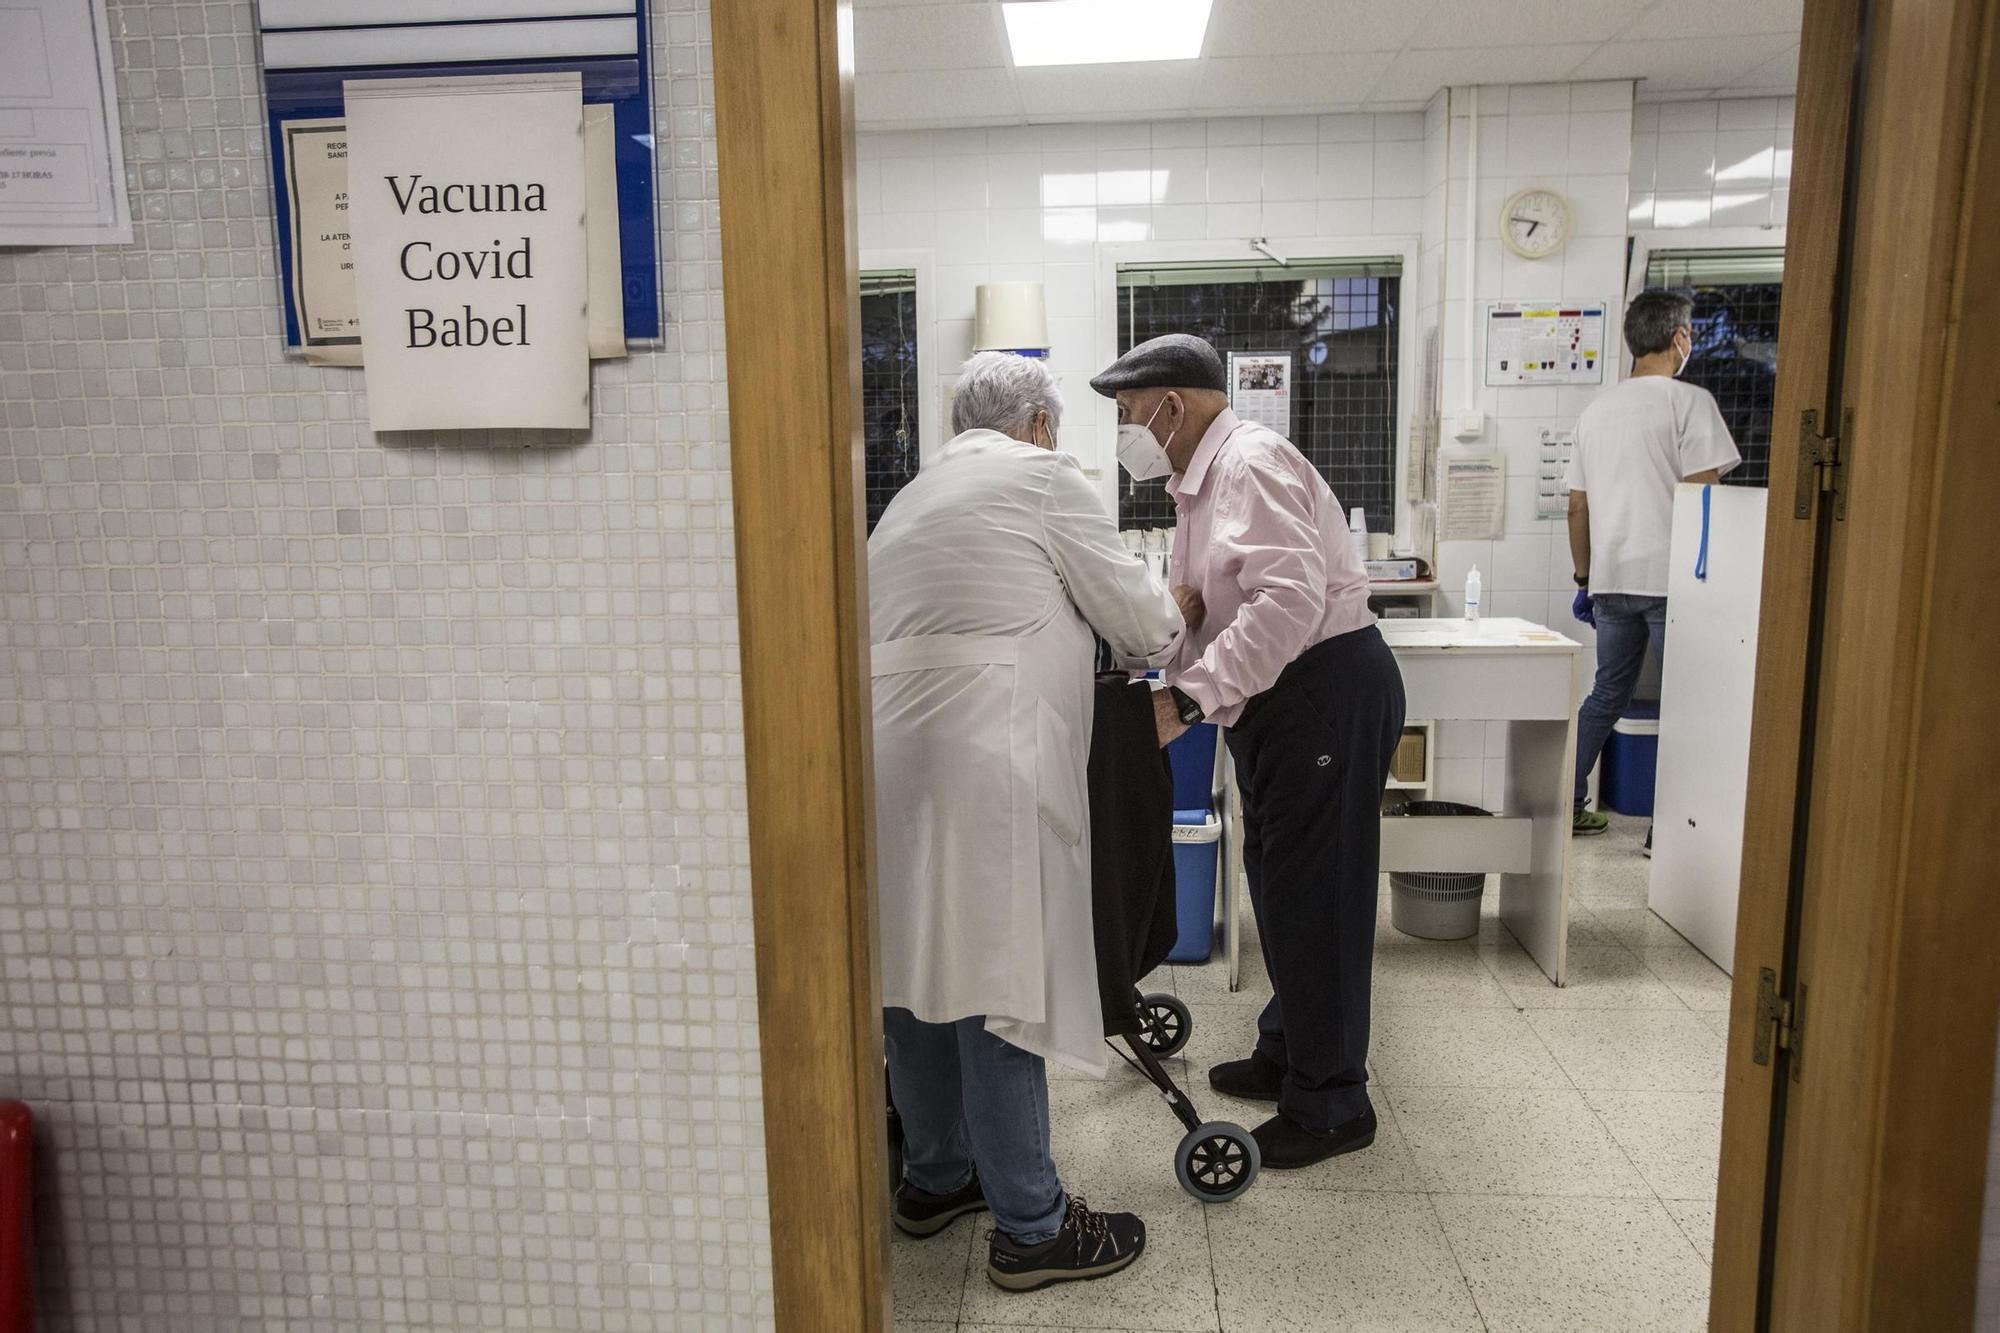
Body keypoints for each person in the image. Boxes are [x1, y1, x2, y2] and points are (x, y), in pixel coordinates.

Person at [870, 351, 1198, 1292]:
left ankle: (935, 1178)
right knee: (1000, 980)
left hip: (889, 752)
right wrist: (1174, 608)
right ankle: (1033, 1224)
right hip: (988, 751)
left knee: (915, 969)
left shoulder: (910, 497)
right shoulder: (1044, 476)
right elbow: (1140, 625)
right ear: (1042, 424)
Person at [1091, 334, 1406, 1171]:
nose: (1127, 432)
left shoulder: (1248, 463)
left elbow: (1290, 599)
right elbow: (1214, 603)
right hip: (1282, 700)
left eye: (1128, 415)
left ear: (1172, 405)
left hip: (1321, 691)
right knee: (1278, 878)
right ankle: (1288, 1050)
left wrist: (1191, 697)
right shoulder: (1200, 484)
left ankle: (1332, 1101)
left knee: (1319, 893)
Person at [1567, 289, 1741, 837]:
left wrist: (1584, 578)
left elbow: (1577, 506)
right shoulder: (1689, 403)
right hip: (1674, 583)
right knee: (1687, 704)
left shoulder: (1596, 412)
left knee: (1606, 694)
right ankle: (1671, 831)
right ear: (1680, 337)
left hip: (1612, 580)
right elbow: (1704, 494)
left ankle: (1566, 804)